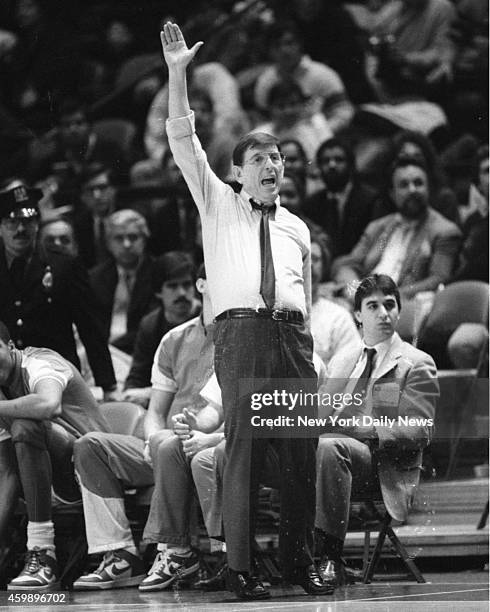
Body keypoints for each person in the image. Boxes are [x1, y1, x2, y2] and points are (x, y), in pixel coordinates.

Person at [161, 22, 330, 599]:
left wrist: (307, 346)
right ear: (239, 171)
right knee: (245, 454)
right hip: (242, 337)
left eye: (277, 156)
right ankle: (240, 568)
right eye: (258, 157)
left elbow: (304, 292)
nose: (271, 164)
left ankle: (299, 563)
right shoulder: (217, 204)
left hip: (292, 339)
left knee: (302, 454)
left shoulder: (297, 226)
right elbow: (184, 140)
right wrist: (178, 72)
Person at [72, 264, 216, 590]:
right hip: (163, 443)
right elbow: (155, 411)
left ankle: (174, 553)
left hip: (207, 444)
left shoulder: (242, 338)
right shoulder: (173, 339)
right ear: (202, 285)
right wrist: (151, 440)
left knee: (170, 442)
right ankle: (119, 555)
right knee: (90, 445)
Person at [315, 274, 439, 587]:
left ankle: (329, 554)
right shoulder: (343, 360)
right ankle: (285, 557)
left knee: (328, 447)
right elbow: (317, 415)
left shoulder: (416, 362)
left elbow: (419, 431)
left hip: (382, 463)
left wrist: (361, 426)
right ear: (358, 315)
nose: (383, 312)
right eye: (373, 306)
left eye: (389, 304)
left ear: (398, 311)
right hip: (333, 453)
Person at [0, 320, 111, 590]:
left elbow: (49, 404)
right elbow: (8, 473)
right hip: (44, 479)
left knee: (25, 424)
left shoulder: (41, 361)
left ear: (11, 345)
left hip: (96, 472)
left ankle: (42, 552)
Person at [0, 184, 117, 398]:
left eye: (26, 221)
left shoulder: (64, 265)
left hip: (57, 376)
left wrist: (108, 385)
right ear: (0, 227)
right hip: (6, 379)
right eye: (11, 222)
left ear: (37, 224)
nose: (20, 230)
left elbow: (89, 327)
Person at [331, 157, 462, 301]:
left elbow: (437, 279)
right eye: (404, 185)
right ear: (392, 194)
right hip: (364, 299)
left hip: (404, 305)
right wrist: (356, 290)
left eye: (418, 183)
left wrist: (388, 297)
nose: (412, 190)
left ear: (428, 188)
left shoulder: (443, 231)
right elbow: (349, 264)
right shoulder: (379, 227)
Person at [122, 251, 199, 407]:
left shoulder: (206, 320)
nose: (182, 293)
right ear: (158, 291)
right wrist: (132, 394)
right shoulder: (150, 324)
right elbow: (137, 377)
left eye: (186, 284)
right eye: (172, 286)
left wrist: (151, 393)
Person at [89, 209, 166, 355]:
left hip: (142, 351)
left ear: (144, 239)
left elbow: (154, 324)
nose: (126, 244)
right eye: (119, 238)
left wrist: (113, 348)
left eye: (133, 237)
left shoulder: (158, 273)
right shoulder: (95, 277)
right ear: (108, 243)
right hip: (102, 351)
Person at [304, 137, 382, 258]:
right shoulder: (312, 203)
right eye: (326, 161)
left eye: (339, 160)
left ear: (351, 165)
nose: (332, 165)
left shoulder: (370, 199)